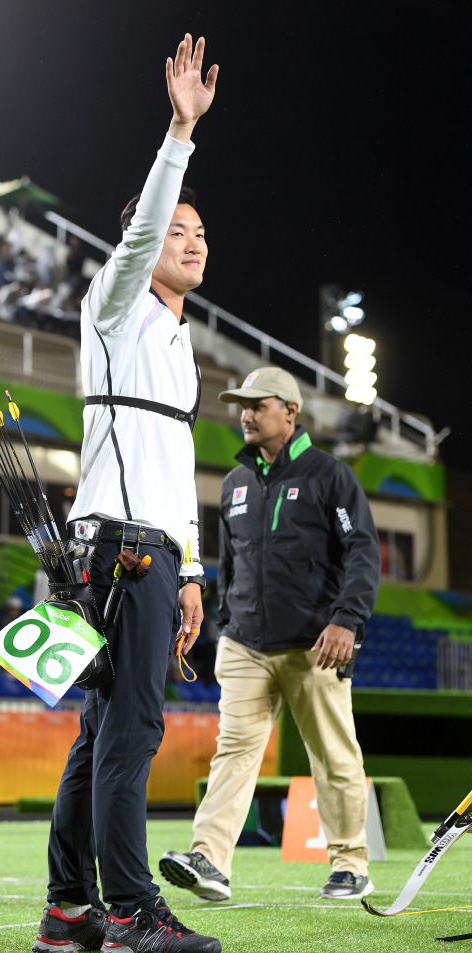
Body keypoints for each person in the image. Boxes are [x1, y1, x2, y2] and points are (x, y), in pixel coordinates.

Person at [32, 34, 221, 953]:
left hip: (152, 549)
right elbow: (144, 225)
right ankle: (130, 910)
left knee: (102, 726)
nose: (191, 242)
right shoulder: (114, 302)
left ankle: (70, 908)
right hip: (115, 547)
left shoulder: (180, 346)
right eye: (174, 232)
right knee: (131, 728)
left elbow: (172, 463)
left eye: (199, 233)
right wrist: (180, 130)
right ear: (141, 245)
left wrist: (190, 570)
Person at [160, 366, 382, 902]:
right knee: (233, 750)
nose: (246, 414)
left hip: (315, 645)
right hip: (245, 645)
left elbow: (363, 552)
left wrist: (347, 619)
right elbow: (230, 564)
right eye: (243, 405)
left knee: (332, 754)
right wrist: (223, 625)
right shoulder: (234, 484)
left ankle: (350, 863)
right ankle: (209, 860)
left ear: (291, 411)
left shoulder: (331, 476)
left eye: (258, 405)